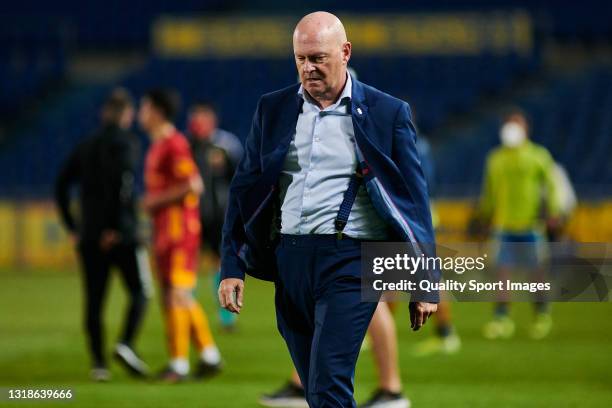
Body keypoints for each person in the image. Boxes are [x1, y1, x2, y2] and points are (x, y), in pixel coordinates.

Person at [218, 12, 439, 407]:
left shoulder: (388, 113)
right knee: (317, 388)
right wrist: (233, 267)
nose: (308, 67)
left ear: (345, 52)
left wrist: (425, 280)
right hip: (290, 261)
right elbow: (244, 190)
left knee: (328, 383)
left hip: (354, 261)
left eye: (318, 57)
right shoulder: (273, 109)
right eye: (301, 58)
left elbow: (415, 203)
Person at [55, 88, 152, 382]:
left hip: (89, 236)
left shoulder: (86, 145)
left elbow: (60, 186)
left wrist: (73, 227)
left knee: (94, 300)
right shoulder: (128, 142)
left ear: (103, 114)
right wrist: (116, 227)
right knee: (141, 292)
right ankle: (125, 343)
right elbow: (123, 184)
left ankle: (98, 364)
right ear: (127, 114)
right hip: (120, 234)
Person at [139, 89, 222, 382]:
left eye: (144, 107)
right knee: (174, 296)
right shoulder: (158, 145)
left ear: (157, 111)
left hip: (179, 232)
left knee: (177, 295)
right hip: (164, 231)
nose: (141, 113)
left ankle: (178, 363)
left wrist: (154, 201)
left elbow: (193, 185)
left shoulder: (174, 144)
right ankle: (209, 355)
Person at [479, 109, 560, 340]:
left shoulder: (538, 155)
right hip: (503, 225)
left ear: (526, 129)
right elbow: (490, 192)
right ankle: (502, 318)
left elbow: (552, 185)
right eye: (509, 124)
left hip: (531, 225)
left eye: (517, 124)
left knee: (536, 273)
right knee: (502, 273)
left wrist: (553, 212)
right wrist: (484, 216)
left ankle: (541, 315)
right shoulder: (495, 159)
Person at [187, 102, 243, 330]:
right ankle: (186, 311)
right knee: (188, 264)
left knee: (221, 264)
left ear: (212, 120)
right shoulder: (185, 145)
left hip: (220, 217)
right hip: (191, 215)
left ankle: (227, 316)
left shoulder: (226, 145)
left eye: (203, 118)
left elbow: (241, 177)